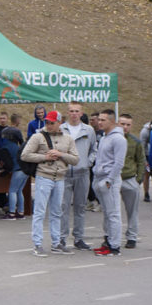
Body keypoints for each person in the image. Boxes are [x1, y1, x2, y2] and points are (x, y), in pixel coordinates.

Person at [21, 110, 79, 257]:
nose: (49, 125)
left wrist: (60, 155)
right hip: (43, 176)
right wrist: (44, 157)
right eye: (47, 122)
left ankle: (56, 243)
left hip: (60, 178)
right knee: (40, 212)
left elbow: (75, 159)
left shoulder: (68, 139)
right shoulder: (38, 136)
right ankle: (38, 244)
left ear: (60, 122)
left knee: (56, 212)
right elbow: (25, 155)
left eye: (52, 122)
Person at [60, 102, 96, 250]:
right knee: (63, 207)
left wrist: (88, 162)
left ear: (81, 113)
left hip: (82, 173)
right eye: (71, 111)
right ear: (68, 113)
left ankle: (79, 238)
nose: (74, 113)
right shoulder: (61, 129)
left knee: (80, 207)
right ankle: (61, 238)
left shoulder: (89, 130)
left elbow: (94, 148)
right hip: (65, 173)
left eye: (77, 111)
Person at [90, 110, 127, 256]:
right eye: (99, 119)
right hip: (99, 178)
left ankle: (114, 246)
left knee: (113, 214)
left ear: (112, 121)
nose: (99, 122)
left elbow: (118, 163)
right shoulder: (104, 137)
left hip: (109, 180)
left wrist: (109, 181)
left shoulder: (118, 139)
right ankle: (107, 241)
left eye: (103, 120)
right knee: (106, 213)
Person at [117, 113, 146, 249]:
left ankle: (132, 237)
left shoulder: (135, 142)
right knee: (112, 211)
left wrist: (138, 180)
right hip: (114, 180)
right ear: (117, 123)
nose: (125, 127)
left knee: (132, 211)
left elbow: (141, 161)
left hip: (129, 179)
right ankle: (111, 235)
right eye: (122, 124)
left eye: (128, 124)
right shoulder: (111, 139)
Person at [0, 127, 27, 220]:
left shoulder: (5, 147)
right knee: (19, 191)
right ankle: (21, 212)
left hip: (17, 170)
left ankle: (11, 213)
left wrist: (4, 172)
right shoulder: (19, 146)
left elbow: (9, 164)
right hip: (25, 170)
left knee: (12, 191)